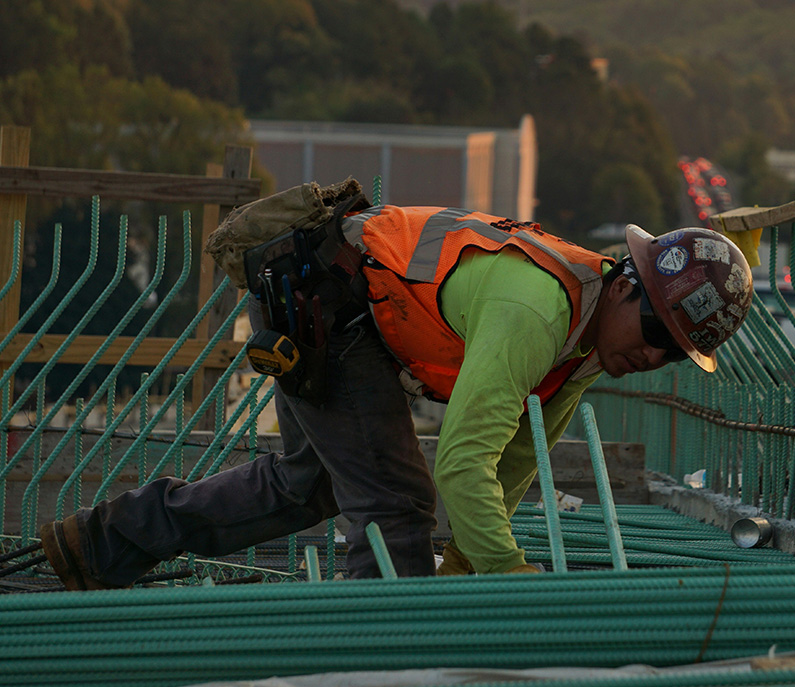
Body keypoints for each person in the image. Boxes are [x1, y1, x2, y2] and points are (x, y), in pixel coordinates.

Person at [39, 205, 753, 588]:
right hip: (327, 305)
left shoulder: (587, 352)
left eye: (675, 354)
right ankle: (381, 663)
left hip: (345, 314)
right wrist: (512, 586)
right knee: (394, 507)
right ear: (627, 281)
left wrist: (465, 572)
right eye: (658, 327)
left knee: (307, 486)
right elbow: (461, 467)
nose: (654, 355)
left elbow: (508, 469)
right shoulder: (539, 314)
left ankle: (101, 542)